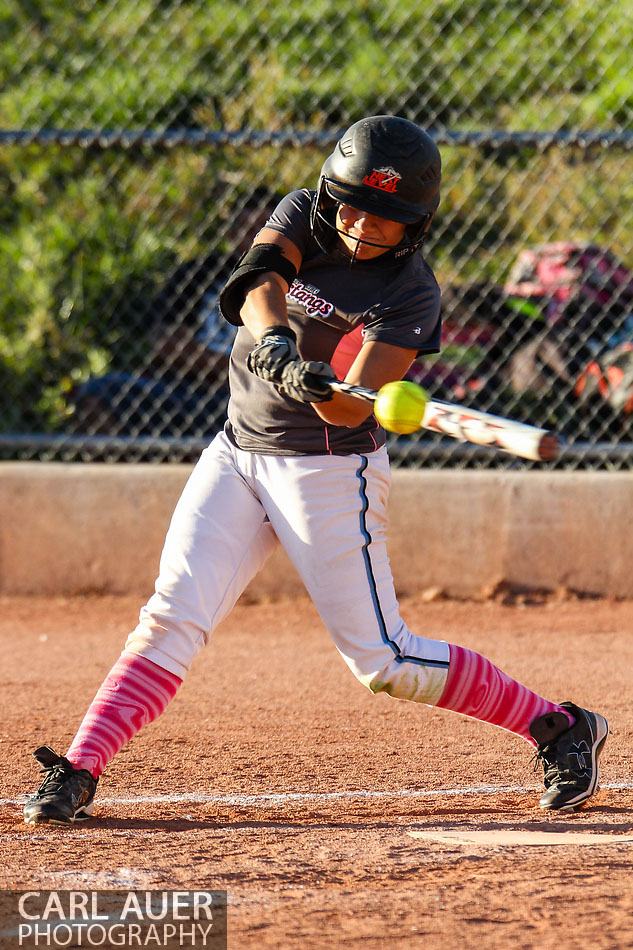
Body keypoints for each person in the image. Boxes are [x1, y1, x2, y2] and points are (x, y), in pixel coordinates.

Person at [24, 115, 609, 824]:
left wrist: (318, 384)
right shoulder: (302, 211)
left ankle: (559, 728)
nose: (363, 227)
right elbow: (259, 283)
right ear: (333, 194)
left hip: (328, 470)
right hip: (238, 453)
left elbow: (347, 410)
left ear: (414, 226)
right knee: (171, 615)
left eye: (385, 219)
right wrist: (274, 339)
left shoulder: (411, 293)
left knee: (384, 662)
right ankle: (79, 768)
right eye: (354, 207)